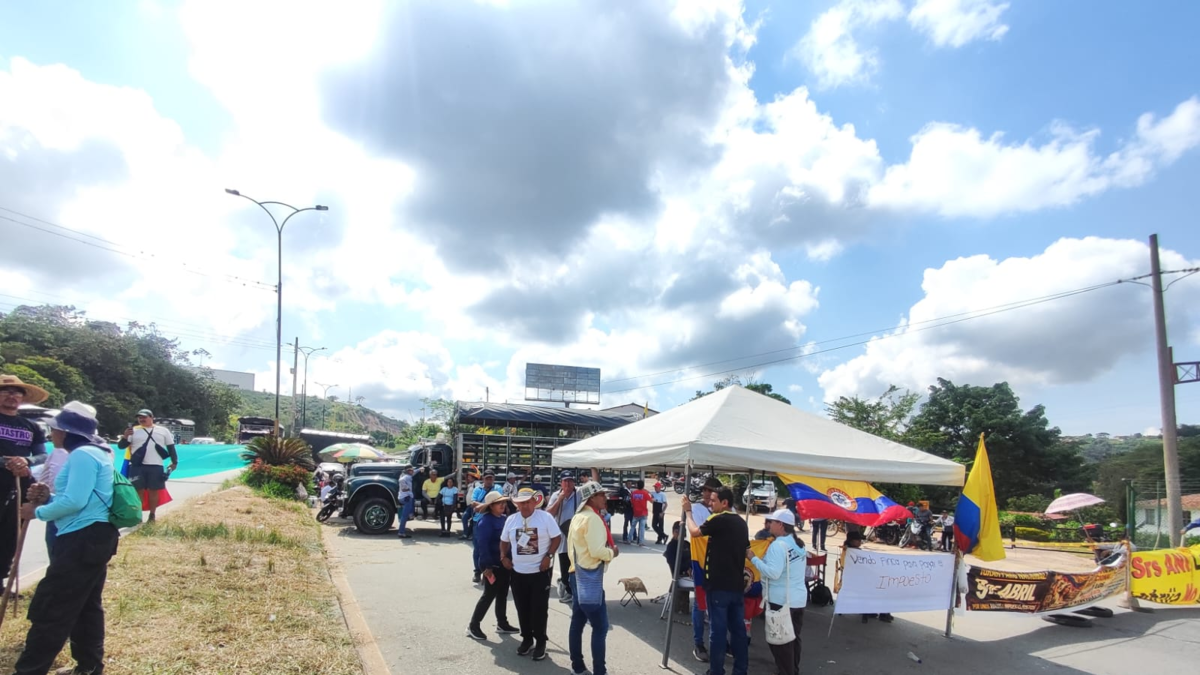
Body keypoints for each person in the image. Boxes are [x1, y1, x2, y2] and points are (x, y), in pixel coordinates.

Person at [13, 402, 118, 675]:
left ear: (66, 432)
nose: (51, 434)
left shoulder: (83, 455)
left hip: (81, 539)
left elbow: (75, 501)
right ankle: (89, 666)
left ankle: (29, 670)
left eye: (54, 429)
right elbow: (78, 498)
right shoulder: (98, 452)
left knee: (53, 608)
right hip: (93, 538)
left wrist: (37, 511)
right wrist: (50, 498)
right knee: (85, 606)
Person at [685, 486, 749, 675]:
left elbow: (695, 531)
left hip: (719, 586)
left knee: (718, 632)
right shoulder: (741, 523)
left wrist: (688, 512)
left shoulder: (718, 519)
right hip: (736, 586)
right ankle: (740, 670)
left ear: (725, 503)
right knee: (738, 632)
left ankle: (716, 671)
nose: (709, 504)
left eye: (713, 501)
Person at [501, 487, 562, 660]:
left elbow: (557, 538)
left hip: (539, 572)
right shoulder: (511, 520)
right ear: (517, 505)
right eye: (521, 503)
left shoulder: (545, 518)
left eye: (528, 502)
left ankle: (540, 642)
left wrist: (548, 556)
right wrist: (503, 557)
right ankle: (527, 639)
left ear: (534, 502)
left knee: (539, 609)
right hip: (518, 572)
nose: (525, 506)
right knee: (522, 608)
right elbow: (504, 541)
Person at [0, 374, 50, 583]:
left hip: (18, 485)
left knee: (10, 534)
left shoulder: (32, 427)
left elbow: (42, 455)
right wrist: (5, 462)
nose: (12, 395)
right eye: (6, 391)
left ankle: (2, 580)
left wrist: (26, 462)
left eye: (17, 392)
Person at [748, 509, 808, 675]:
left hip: (781, 600)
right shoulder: (798, 543)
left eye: (772, 522)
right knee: (794, 638)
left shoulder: (777, 546)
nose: (769, 525)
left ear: (780, 525)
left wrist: (753, 558)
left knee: (780, 642)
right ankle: (793, 670)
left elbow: (773, 573)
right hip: (797, 599)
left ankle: (786, 671)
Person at [567, 481, 618, 675]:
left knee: (577, 623)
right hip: (590, 576)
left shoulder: (578, 517)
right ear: (591, 498)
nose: (605, 498)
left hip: (576, 573)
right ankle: (599, 671)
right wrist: (612, 553)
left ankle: (577, 666)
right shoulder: (593, 519)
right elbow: (597, 551)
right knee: (600, 627)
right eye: (601, 495)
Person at [466, 492, 520, 640]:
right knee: (488, 596)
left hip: (505, 563)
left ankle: (502, 623)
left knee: (502, 594)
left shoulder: (504, 519)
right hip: (493, 565)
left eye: (503, 502)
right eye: (499, 503)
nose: (503, 505)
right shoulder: (485, 522)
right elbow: (482, 546)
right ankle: (473, 625)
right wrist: (486, 567)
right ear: (491, 506)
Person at [117, 409, 177, 522]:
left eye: (144, 417)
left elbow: (171, 447)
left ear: (151, 417)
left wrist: (174, 462)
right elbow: (121, 446)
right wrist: (125, 436)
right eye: (139, 417)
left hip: (156, 465)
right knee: (138, 491)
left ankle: (152, 515)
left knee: (154, 491)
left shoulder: (163, 431)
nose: (141, 419)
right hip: (137, 466)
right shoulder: (133, 431)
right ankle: (138, 515)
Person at [688, 475, 722, 663]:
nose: (707, 494)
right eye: (705, 490)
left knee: (719, 604)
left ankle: (719, 641)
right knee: (700, 605)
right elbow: (700, 533)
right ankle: (698, 643)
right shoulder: (696, 509)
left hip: (721, 565)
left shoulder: (727, 509)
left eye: (711, 491)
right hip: (702, 562)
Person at [546, 470, 583, 604]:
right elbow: (549, 514)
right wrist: (560, 499)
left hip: (578, 536)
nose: (568, 484)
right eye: (565, 481)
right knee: (565, 566)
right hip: (562, 537)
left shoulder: (579, 493)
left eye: (570, 481)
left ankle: (572, 590)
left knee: (577, 565)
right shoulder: (556, 495)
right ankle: (566, 586)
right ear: (561, 483)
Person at [845, 532, 894, 623]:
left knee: (884, 584)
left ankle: (879, 611)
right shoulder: (852, 552)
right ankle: (883, 613)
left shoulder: (850, 550)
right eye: (858, 540)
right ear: (852, 541)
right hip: (858, 581)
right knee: (884, 587)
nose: (860, 542)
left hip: (860, 578)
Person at [468, 471, 503, 581]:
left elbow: (500, 500)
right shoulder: (478, 489)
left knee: (494, 547)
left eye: (491, 478)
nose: (489, 481)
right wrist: (488, 505)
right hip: (479, 520)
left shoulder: (498, 488)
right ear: (483, 479)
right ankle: (478, 571)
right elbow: (473, 502)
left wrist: (484, 506)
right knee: (479, 548)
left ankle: (488, 571)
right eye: (487, 478)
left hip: (495, 520)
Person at [629, 479, 651, 545]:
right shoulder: (645, 493)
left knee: (632, 527)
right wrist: (649, 493)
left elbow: (631, 502)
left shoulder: (633, 493)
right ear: (643, 486)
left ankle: (629, 539)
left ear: (637, 485)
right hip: (643, 513)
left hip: (636, 513)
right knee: (642, 528)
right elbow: (651, 500)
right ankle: (641, 542)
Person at [396, 466, 415, 538]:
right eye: (411, 470)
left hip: (403, 497)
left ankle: (411, 513)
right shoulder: (406, 477)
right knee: (404, 516)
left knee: (405, 515)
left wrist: (419, 469)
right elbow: (401, 481)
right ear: (408, 471)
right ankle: (401, 532)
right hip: (406, 498)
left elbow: (415, 472)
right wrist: (406, 488)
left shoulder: (406, 475)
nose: (413, 471)